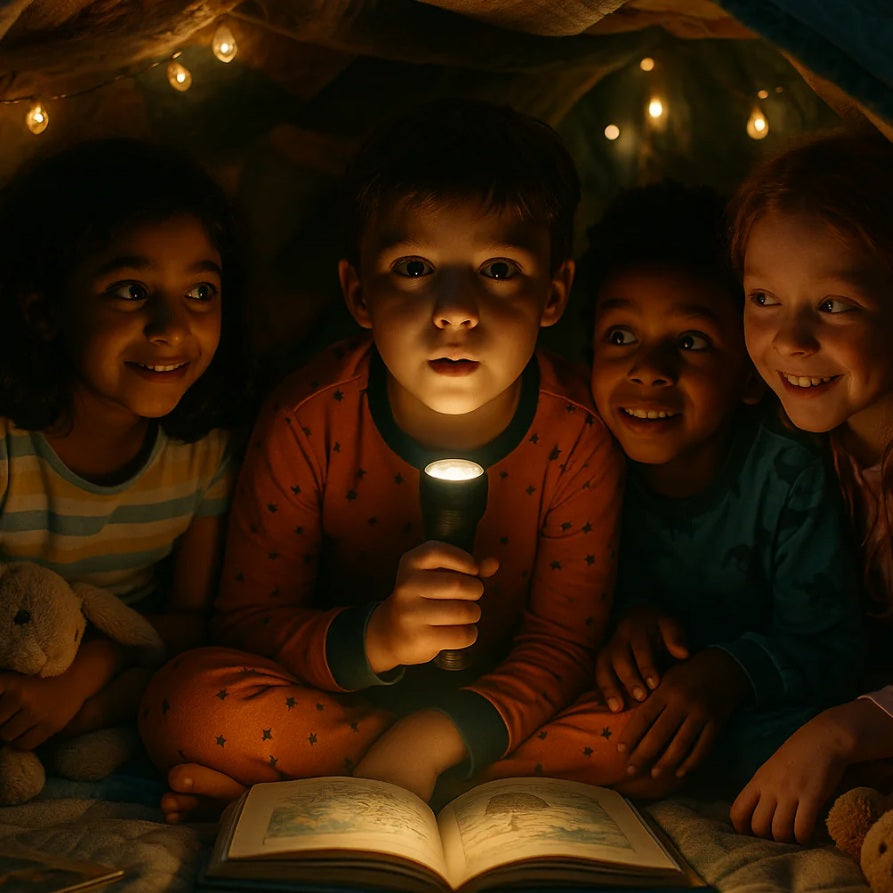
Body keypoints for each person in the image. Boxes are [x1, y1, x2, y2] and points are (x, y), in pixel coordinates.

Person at [138, 97, 641, 824]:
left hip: (502, 707)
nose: (455, 309)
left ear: (553, 293)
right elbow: (249, 618)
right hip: (339, 696)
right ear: (359, 293)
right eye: (413, 267)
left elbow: (561, 643)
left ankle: (351, 775)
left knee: (643, 730)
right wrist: (374, 637)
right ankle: (425, 775)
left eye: (499, 269)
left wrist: (435, 736)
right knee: (186, 701)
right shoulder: (308, 418)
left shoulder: (578, 435)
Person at [584, 180, 864, 799]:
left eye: (690, 342)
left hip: (763, 711)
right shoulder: (583, 457)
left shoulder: (787, 473)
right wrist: (627, 621)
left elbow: (833, 648)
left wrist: (727, 671)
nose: (649, 370)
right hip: (644, 706)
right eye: (621, 336)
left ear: (750, 376)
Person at [0, 138, 250, 756]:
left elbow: (192, 622)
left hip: (119, 674)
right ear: (44, 311)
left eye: (200, 292)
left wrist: (88, 673)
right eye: (131, 291)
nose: (172, 327)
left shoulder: (203, 453)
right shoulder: (9, 449)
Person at [727, 132, 893, 845]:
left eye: (834, 305)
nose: (790, 338)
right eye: (763, 298)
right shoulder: (784, 450)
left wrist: (842, 732)